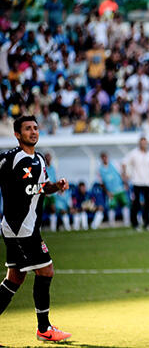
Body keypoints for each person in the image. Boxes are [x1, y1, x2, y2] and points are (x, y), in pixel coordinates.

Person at [0, 115, 71, 341]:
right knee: (46, 270)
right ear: (17, 135)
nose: (33, 132)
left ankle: (44, 328)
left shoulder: (39, 159)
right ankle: (44, 328)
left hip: (28, 228)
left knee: (15, 278)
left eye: (35, 128)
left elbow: (42, 187)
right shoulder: (11, 158)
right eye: (28, 129)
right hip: (20, 229)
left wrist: (56, 186)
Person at [123, 136, 149, 231]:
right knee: (136, 204)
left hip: (147, 182)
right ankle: (135, 224)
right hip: (136, 181)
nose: (144, 145)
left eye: (145, 143)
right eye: (142, 143)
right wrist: (126, 174)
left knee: (147, 204)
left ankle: (147, 224)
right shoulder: (134, 153)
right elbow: (124, 163)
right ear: (139, 144)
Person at [99, 152, 130, 228]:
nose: (105, 159)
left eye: (106, 157)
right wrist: (107, 192)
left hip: (120, 189)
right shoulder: (100, 169)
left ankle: (127, 222)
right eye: (103, 157)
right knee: (111, 206)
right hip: (111, 192)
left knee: (125, 205)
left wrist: (125, 184)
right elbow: (102, 183)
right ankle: (111, 224)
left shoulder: (114, 164)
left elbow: (121, 174)